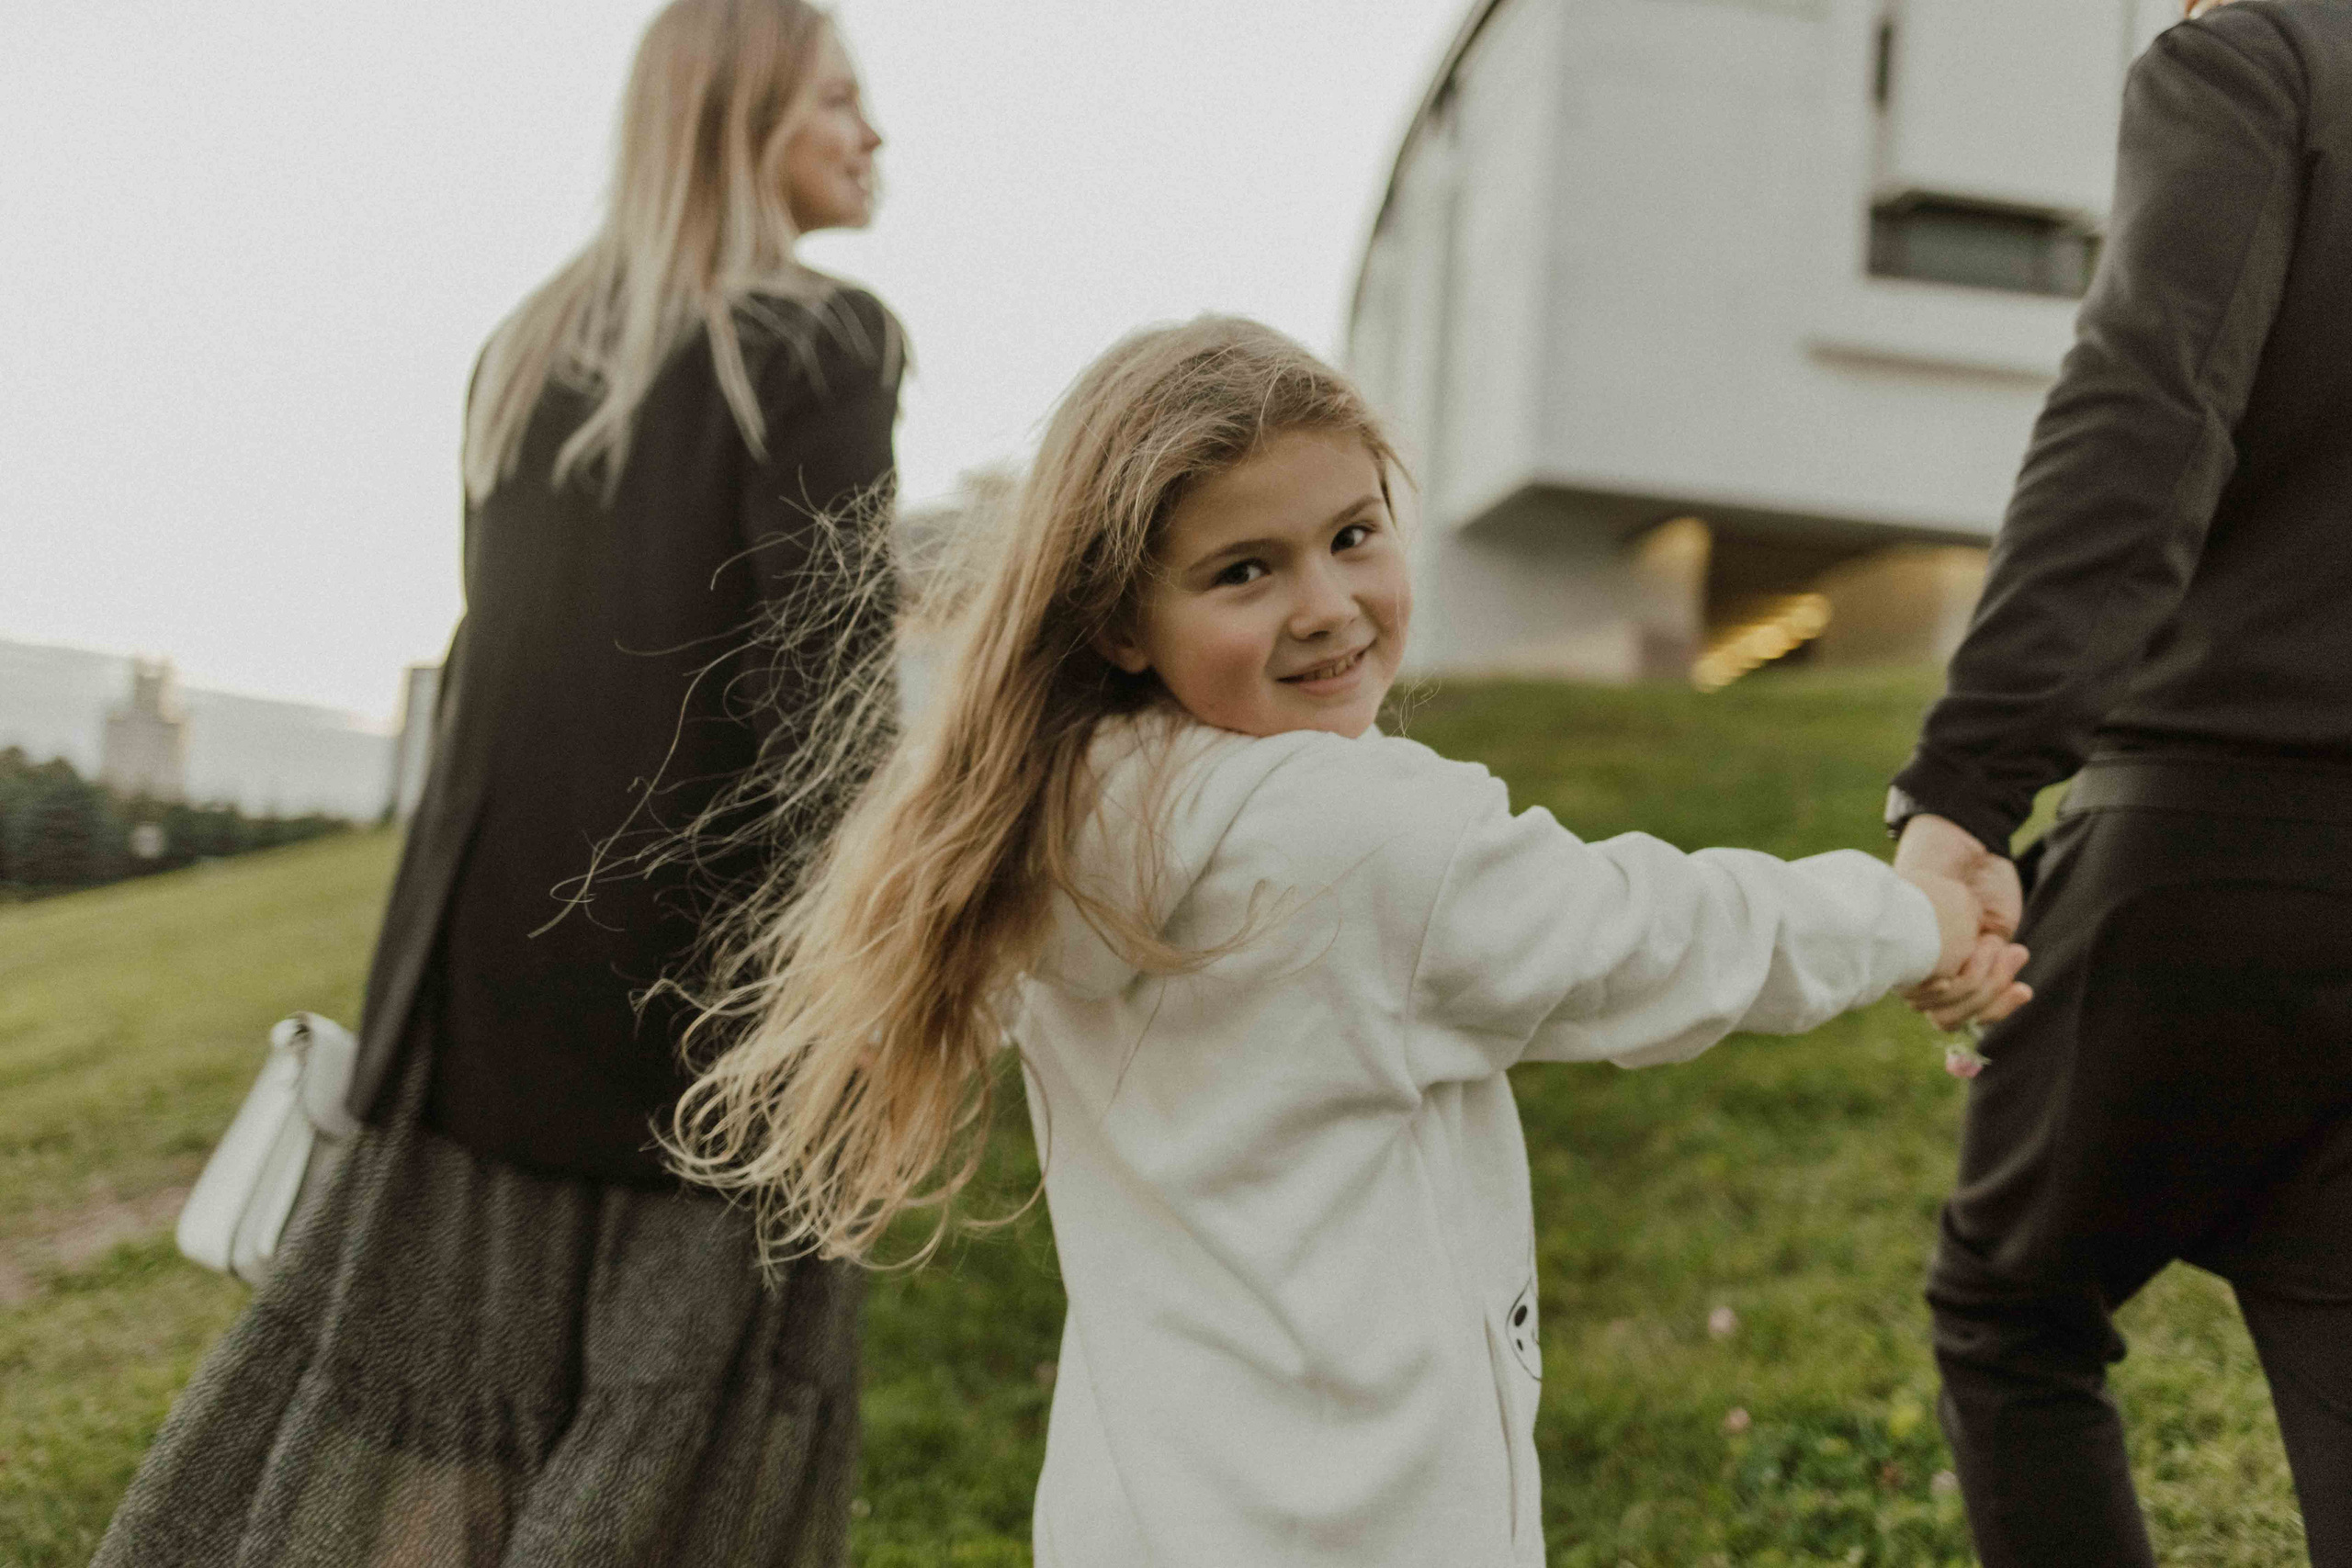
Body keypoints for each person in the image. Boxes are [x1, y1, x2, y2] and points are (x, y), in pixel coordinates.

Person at [669, 316, 2028, 1565]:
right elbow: (1656, 939)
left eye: (1356, 535)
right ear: (1117, 620)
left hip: (1142, 1518)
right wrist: (1915, 917)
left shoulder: (1067, 814)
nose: (1326, 604)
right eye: (1245, 570)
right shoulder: (1355, 834)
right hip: (1369, 1527)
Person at [95, 4, 899, 1563]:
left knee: (424, 1431)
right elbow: (824, 699)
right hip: (710, 1001)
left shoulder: (526, 348)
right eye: (843, 101)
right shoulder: (823, 339)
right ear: (740, 130)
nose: (875, 137)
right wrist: (874, 980)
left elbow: (497, 675)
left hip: (474, 992)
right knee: (670, 1449)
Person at [1886, 1, 2352, 1562]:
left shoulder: (2262, 59)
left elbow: (2150, 404)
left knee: (2011, 1309)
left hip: (2215, 843)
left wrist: (1969, 784)